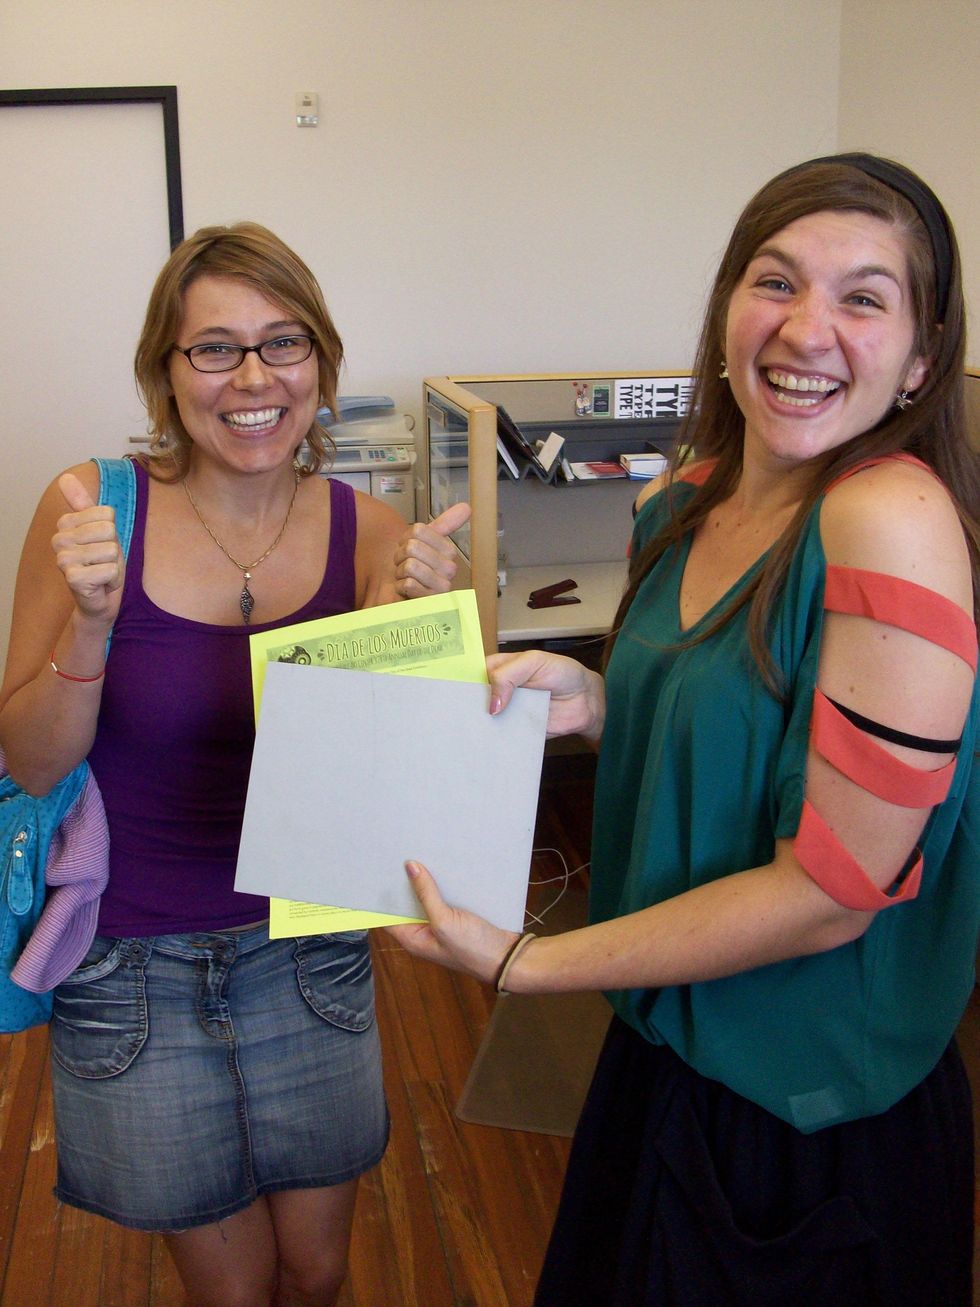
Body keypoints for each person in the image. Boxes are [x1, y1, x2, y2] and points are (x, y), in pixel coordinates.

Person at [389, 154, 980, 1305]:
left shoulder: (887, 516)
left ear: (919, 359)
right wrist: (599, 700)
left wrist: (523, 961)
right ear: (725, 308)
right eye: (775, 280)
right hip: (662, 1056)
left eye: (862, 297)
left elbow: (832, 890)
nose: (804, 328)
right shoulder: (683, 500)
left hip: (800, 1125)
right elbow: (750, 728)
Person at [0, 222, 464, 1307]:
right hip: (129, 965)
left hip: (306, 952)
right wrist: (91, 621)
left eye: (282, 343)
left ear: (321, 365)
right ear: (165, 371)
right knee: (235, 1291)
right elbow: (30, 760)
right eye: (214, 348)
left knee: (318, 1270)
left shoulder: (371, 531)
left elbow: (405, 786)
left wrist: (424, 632)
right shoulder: (89, 510)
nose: (253, 378)